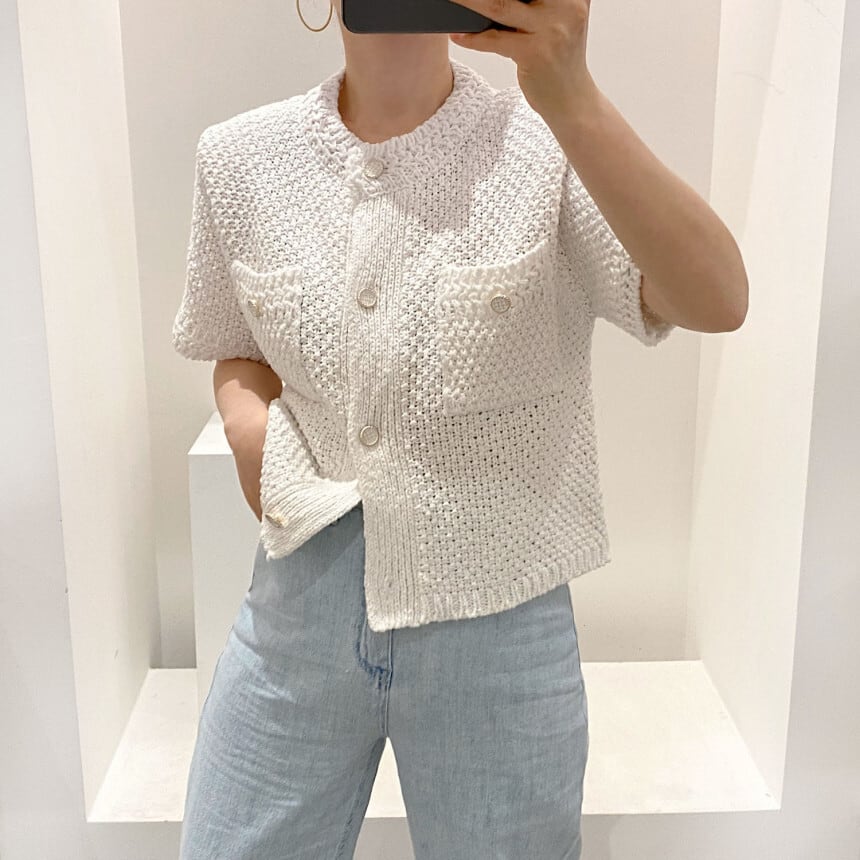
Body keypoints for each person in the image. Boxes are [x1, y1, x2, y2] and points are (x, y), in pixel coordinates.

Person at [174, 1, 746, 857]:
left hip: (501, 623)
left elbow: (717, 298)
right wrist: (247, 425)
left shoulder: (549, 145)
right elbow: (234, 343)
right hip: (298, 608)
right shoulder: (239, 159)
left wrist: (573, 93)